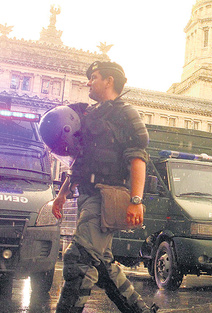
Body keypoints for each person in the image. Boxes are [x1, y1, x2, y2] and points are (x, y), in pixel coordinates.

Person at [52, 61, 158, 313]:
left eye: (94, 77)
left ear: (109, 81)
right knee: (102, 264)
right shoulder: (92, 115)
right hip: (88, 197)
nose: (88, 82)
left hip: (106, 197)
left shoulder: (125, 114)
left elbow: (137, 158)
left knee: (78, 260)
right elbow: (81, 161)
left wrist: (136, 200)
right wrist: (62, 194)